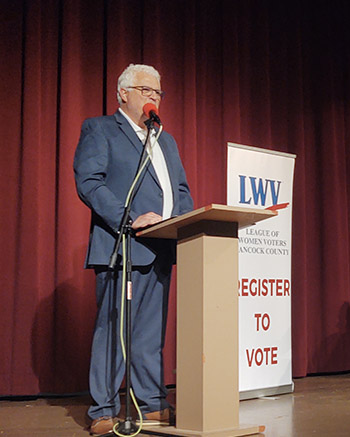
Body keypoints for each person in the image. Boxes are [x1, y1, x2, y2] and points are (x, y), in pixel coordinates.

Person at [74, 64, 194, 435]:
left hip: (161, 246)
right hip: (122, 244)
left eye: (158, 93)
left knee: (148, 333)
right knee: (115, 331)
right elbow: (89, 182)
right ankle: (104, 409)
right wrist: (128, 218)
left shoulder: (166, 140)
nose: (154, 98)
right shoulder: (101, 129)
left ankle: (151, 402)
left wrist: (186, 224)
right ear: (123, 93)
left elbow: (182, 190)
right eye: (146, 91)